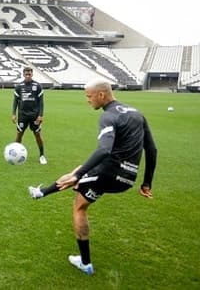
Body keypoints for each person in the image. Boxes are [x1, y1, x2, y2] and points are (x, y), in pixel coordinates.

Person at [28, 79, 157, 275]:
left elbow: (104, 150)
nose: (88, 100)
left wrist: (78, 175)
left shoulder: (108, 116)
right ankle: (41, 192)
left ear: (101, 95)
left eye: (89, 96)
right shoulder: (138, 114)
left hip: (108, 172)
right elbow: (152, 149)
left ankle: (85, 263)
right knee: (80, 171)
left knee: (79, 205)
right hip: (128, 177)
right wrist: (146, 183)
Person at [12, 67, 47, 164]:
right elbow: (15, 101)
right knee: (19, 134)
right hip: (22, 115)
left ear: (32, 74)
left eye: (29, 74)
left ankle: (42, 155)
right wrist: (14, 114)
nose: (28, 75)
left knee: (37, 135)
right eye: (26, 74)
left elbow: (41, 102)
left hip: (34, 116)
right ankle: (15, 155)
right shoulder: (19, 86)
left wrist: (40, 115)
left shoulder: (38, 86)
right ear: (23, 74)